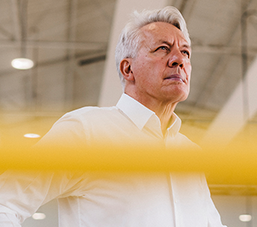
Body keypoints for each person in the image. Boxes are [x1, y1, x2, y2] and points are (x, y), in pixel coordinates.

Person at [0, 6, 226, 227]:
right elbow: (4, 206)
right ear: (128, 69)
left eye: (185, 52)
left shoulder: (190, 154)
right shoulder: (85, 131)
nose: (179, 59)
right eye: (163, 49)